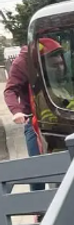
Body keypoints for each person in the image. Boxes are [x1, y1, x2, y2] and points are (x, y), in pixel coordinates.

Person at [5, 37, 63, 169]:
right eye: (54, 65)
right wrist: (16, 111)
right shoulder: (22, 63)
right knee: (37, 167)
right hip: (34, 118)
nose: (59, 68)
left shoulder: (57, 52)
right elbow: (10, 90)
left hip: (59, 114)